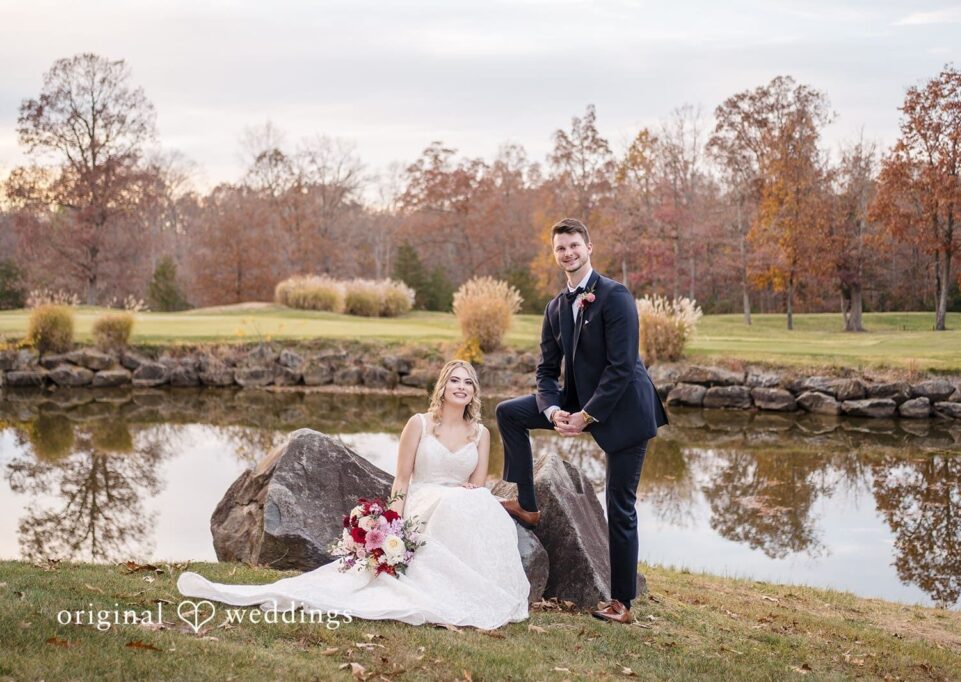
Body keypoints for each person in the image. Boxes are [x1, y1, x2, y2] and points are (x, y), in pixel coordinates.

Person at [177, 360, 530, 630]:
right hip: (425, 499)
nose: (462, 387)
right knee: (452, 504)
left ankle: (472, 586)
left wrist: (471, 492)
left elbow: (478, 482)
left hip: (459, 503)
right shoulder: (419, 424)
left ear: (474, 393)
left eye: (469, 382)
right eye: (455, 379)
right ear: (442, 386)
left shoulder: (481, 433)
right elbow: (402, 480)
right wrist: (392, 521)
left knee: (477, 503)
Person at [496, 218, 668, 625]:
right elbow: (545, 372)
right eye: (560, 248)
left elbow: (622, 367)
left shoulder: (615, 295)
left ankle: (621, 603)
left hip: (624, 408)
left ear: (589, 247)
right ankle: (528, 504)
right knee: (509, 412)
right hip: (576, 404)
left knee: (619, 504)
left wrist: (587, 416)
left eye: (574, 245)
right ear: (554, 255)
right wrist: (554, 411)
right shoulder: (555, 308)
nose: (568, 253)